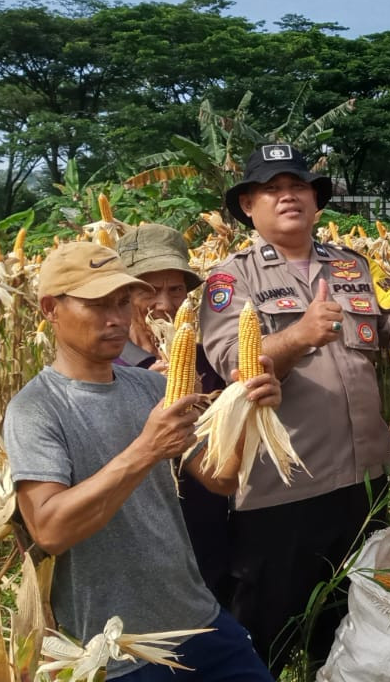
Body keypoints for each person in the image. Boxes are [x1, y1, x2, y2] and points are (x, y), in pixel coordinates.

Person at [199, 143, 390, 675]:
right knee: (269, 638)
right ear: (248, 205)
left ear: (316, 200)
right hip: (283, 489)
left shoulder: (350, 265)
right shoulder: (231, 279)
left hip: (363, 481)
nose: (288, 197)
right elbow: (231, 362)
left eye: (298, 186)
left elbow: (387, 328)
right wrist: (299, 334)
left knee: (354, 630)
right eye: (272, 189)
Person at [4, 241, 281, 681]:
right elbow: (50, 530)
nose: (116, 318)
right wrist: (147, 448)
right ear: (51, 309)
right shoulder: (36, 409)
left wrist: (249, 411)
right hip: (116, 648)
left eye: (121, 302)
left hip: (200, 621)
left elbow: (221, 478)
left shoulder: (151, 388)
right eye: (97, 305)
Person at [116, 223, 229, 598]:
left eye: (176, 289)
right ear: (122, 293)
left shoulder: (208, 359)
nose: (165, 304)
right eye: (148, 290)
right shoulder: (106, 367)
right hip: (141, 535)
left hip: (208, 527)